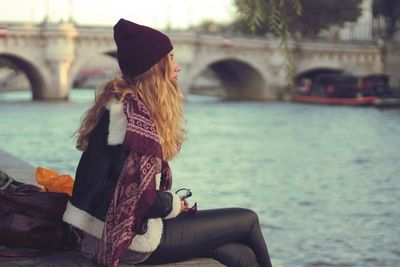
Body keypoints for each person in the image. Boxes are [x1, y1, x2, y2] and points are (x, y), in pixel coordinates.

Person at [62, 18, 273, 267]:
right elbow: (136, 197)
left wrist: (166, 203)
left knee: (239, 254)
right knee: (247, 220)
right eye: (171, 59)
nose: (178, 66)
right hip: (127, 240)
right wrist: (172, 203)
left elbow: (119, 187)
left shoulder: (126, 110)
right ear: (156, 67)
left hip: (112, 232)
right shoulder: (127, 120)